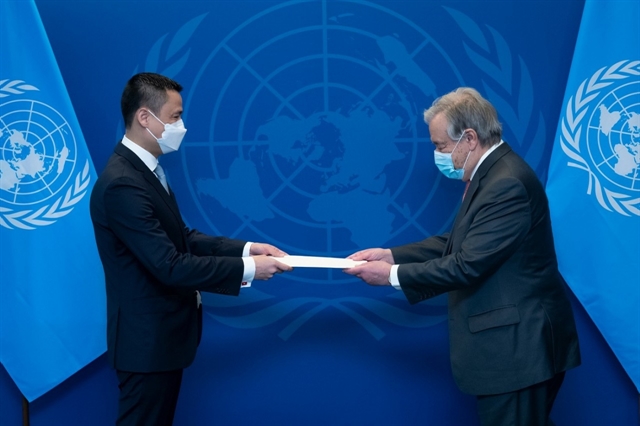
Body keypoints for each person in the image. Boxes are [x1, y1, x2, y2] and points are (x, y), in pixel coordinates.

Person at [344, 87, 580, 426]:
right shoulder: (492, 173)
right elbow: (459, 242)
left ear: (469, 138)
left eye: (441, 145)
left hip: (518, 350)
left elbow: (467, 264)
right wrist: (392, 255)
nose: (438, 154)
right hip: (516, 349)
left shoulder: (506, 183)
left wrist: (391, 276)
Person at [90, 72, 292, 426]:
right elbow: (169, 264)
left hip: (162, 342)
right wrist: (250, 269)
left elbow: (181, 237)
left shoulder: (146, 171)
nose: (180, 126)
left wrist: (245, 249)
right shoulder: (123, 182)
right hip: (145, 346)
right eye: (175, 117)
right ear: (144, 117)